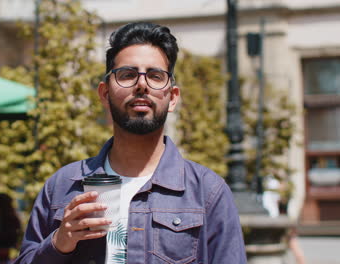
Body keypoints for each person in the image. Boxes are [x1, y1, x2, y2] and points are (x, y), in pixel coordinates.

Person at [14, 22, 246, 264]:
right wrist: (58, 244)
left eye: (155, 76)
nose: (142, 84)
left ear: (173, 97)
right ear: (104, 94)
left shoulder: (207, 193)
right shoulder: (62, 187)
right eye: (127, 74)